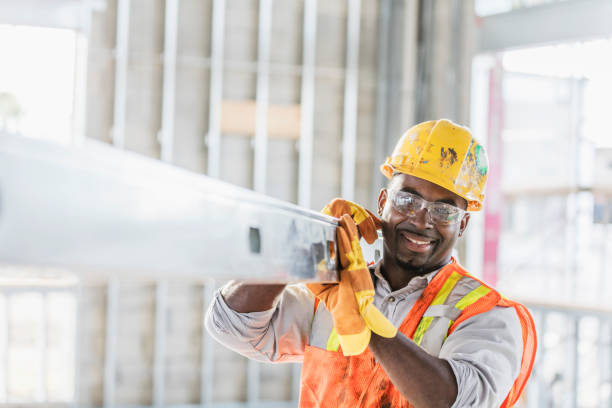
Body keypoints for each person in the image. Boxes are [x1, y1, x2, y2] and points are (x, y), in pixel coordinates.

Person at [205, 119, 536, 408]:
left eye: (444, 210)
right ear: (383, 203)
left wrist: (362, 318)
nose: (422, 221)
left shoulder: (488, 315)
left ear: (462, 224)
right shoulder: (332, 290)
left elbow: (453, 402)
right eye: (407, 199)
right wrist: (304, 245)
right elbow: (229, 324)